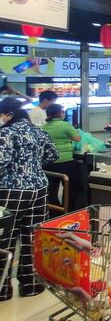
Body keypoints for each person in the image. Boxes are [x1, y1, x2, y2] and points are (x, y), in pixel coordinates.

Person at [0, 97, 58, 301]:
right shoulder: (38, 131)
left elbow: (2, 161)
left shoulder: (7, 132)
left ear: (9, 114)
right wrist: (33, 166)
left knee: (4, 240)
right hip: (40, 189)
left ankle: (3, 290)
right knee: (32, 237)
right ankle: (31, 285)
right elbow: (53, 154)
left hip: (11, 190)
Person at [42, 104, 85, 211]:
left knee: (51, 189)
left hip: (48, 162)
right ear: (59, 113)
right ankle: (68, 210)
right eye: (62, 112)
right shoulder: (65, 125)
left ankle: (54, 212)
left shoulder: (44, 126)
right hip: (65, 162)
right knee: (71, 187)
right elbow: (77, 138)